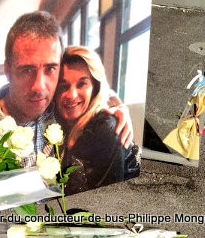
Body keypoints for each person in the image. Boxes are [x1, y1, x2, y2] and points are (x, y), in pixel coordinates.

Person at [0, 11, 134, 166]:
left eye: (50, 69)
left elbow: (92, 89)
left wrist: (117, 105)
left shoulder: (60, 107)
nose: (39, 86)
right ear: (7, 70)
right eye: (27, 70)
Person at [55, 46, 141, 195]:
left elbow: (109, 201)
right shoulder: (58, 118)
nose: (72, 95)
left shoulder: (105, 128)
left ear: (94, 88)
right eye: (64, 86)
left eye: (82, 84)